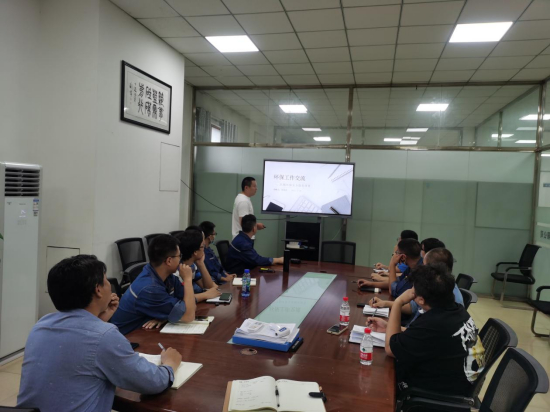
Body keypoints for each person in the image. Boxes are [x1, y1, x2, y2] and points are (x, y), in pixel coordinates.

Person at [17, 255, 183, 412]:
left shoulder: (40, 326)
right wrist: (169, 364)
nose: (109, 285)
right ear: (98, 290)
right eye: (106, 280)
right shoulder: (104, 336)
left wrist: (99, 319)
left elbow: (77, 351)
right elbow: (152, 383)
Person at [368, 264, 485, 396]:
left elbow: (390, 349)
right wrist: (389, 327)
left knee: (374, 381)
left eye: (413, 289)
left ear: (421, 300)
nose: (411, 291)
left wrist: (398, 302)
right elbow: (427, 338)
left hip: (439, 395)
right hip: (458, 385)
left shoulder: (433, 322)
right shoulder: (457, 310)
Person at [110, 235, 197, 335]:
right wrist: (188, 279)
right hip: (127, 337)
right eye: (179, 256)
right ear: (169, 261)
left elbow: (191, 304)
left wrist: (166, 317)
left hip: (145, 333)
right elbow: (189, 316)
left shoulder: (167, 276)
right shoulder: (150, 288)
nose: (180, 260)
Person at [370, 246, 464, 326]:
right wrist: (385, 303)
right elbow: (413, 307)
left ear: (433, 270)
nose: (421, 267)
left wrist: (398, 303)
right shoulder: (435, 285)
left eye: (424, 265)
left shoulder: (446, 297)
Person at [175, 229, 221, 302]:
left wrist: (201, 264)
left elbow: (209, 287)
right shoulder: (176, 271)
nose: (204, 249)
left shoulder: (192, 265)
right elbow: (181, 300)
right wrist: (205, 295)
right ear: (195, 252)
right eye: (202, 246)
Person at [200, 220, 235, 284]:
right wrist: (225, 278)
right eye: (214, 234)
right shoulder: (203, 252)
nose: (214, 236)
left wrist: (227, 275)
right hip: (216, 282)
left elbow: (218, 266)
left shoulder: (209, 250)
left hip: (222, 278)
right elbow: (211, 272)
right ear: (209, 236)